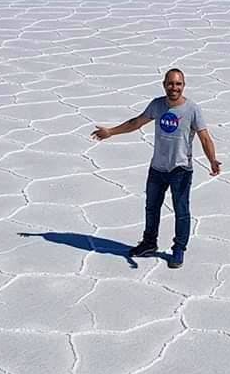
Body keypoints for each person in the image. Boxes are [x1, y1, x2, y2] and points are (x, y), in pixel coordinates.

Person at [89, 68, 221, 268]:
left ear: (183, 86)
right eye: (170, 83)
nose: (174, 87)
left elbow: (204, 136)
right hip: (157, 168)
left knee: (181, 211)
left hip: (180, 169)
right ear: (164, 84)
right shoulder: (157, 105)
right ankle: (149, 243)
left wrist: (212, 160)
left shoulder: (192, 109)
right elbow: (137, 122)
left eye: (178, 84)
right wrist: (111, 132)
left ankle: (178, 249)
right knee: (151, 208)